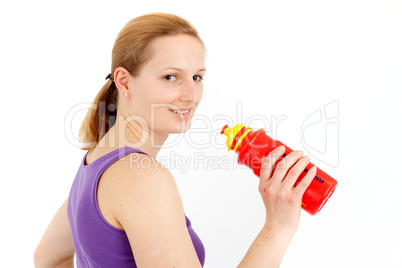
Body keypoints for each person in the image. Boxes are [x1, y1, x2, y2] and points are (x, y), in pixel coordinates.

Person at [34, 12, 317, 268]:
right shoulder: (142, 179)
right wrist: (278, 229)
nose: (191, 96)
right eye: (171, 77)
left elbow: (48, 258)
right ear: (124, 81)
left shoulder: (95, 161)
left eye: (196, 77)